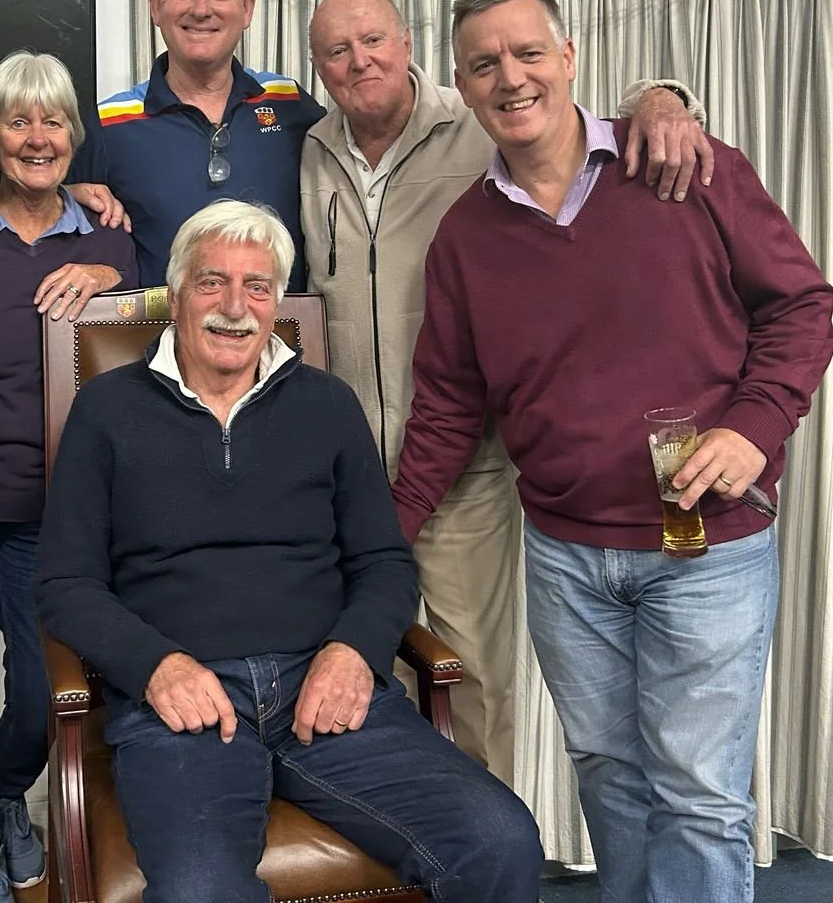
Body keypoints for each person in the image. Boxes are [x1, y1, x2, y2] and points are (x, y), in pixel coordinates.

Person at [392, 0, 833, 903]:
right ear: (464, 91)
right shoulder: (466, 238)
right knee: (610, 778)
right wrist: (380, 537)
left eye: (526, 53)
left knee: (701, 799)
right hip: (565, 556)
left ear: (569, 59)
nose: (509, 77)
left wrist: (756, 429)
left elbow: (801, 307)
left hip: (708, 549)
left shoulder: (686, 166)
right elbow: (445, 407)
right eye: (484, 65)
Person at [36, 200, 544, 903]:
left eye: (257, 286)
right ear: (177, 294)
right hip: (187, 706)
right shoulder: (107, 409)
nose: (234, 307)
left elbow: (383, 562)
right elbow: (65, 582)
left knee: (500, 841)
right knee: (199, 893)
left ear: (277, 301)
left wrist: (354, 654)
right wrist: (156, 668)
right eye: (212, 282)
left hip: (326, 688)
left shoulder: (327, 406)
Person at [299, 0, 712, 779]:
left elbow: (580, 117)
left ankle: (480, 857)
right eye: (337, 52)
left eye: (374, 40)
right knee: (354, 678)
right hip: (342, 476)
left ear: (409, 44)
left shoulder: (479, 119)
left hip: (462, 469)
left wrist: (663, 99)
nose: (360, 62)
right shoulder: (308, 148)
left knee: (470, 681)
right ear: (317, 69)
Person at [0, 50, 136, 903]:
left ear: (75, 137)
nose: (37, 138)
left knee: (49, 691)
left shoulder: (112, 232)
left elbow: (160, 323)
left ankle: (7, 792)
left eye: (53, 121)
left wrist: (115, 274)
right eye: (17, 120)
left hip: (63, 512)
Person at [70, 0, 324, 288]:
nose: (201, 9)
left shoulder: (290, 103)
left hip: (282, 337)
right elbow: (41, 209)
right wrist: (65, 193)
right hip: (159, 339)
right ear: (155, 5)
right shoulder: (108, 125)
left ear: (247, 7)